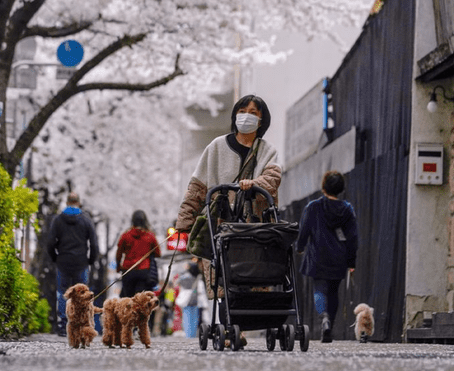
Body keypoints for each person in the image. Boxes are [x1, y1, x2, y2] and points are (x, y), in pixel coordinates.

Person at [175, 94, 282, 347]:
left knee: (251, 276)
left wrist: (253, 185)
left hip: (254, 227)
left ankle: (238, 327)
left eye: (254, 112)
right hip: (220, 223)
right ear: (235, 115)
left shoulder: (268, 151)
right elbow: (197, 188)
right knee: (222, 277)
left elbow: (272, 179)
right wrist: (183, 223)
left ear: (262, 119)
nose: (247, 115)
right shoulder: (216, 147)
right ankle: (229, 329)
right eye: (243, 110)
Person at [296, 170, 358, 343]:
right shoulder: (347, 209)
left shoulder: (313, 207)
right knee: (333, 292)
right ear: (341, 189)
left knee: (319, 289)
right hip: (338, 257)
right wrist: (351, 262)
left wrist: (300, 247)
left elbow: (304, 230)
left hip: (318, 256)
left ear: (324, 187)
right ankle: (330, 322)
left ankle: (324, 318)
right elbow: (353, 237)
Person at [47, 192, 99, 337]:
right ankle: (82, 324)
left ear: (67, 202)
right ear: (78, 202)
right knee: (83, 294)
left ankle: (64, 325)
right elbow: (94, 243)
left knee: (63, 293)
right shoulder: (86, 220)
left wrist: (55, 258)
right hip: (81, 262)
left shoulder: (58, 220)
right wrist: (91, 260)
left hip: (63, 261)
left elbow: (50, 242)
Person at [116, 210, 161, 298]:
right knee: (141, 301)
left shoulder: (125, 235)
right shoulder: (150, 236)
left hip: (128, 271)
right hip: (144, 272)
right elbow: (158, 253)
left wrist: (118, 267)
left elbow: (119, 253)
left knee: (128, 300)